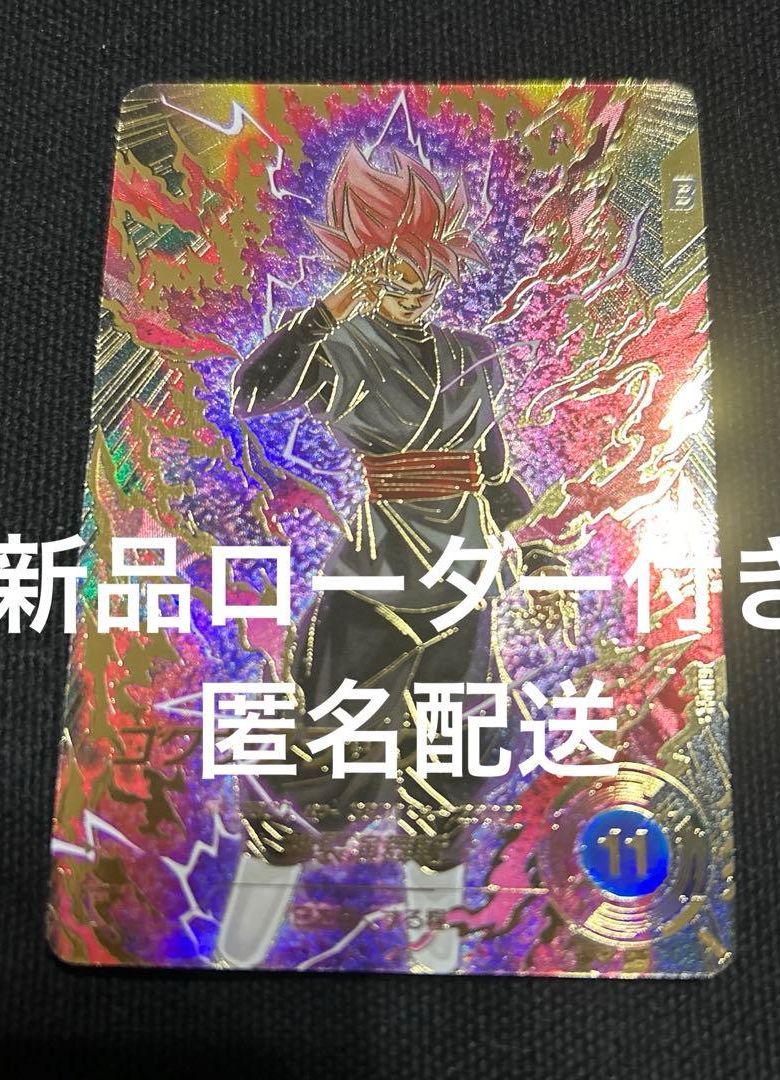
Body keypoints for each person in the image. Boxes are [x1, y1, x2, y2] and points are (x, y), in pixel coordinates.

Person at [218, 143, 566, 971]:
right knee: (313, 760)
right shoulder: (343, 349)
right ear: (364, 265)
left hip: (464, 587)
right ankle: (234, 957)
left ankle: (435, 967)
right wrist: (334, 305)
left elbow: (495, 474)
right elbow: (252, 392)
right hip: (372, 587)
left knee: (449, 773)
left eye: (423, 266)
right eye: (391, 269)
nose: (413, 285)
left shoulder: (473, 354)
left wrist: (542, 560)